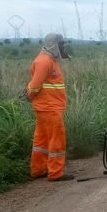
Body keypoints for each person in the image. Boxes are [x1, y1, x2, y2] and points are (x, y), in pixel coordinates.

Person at [27, 33, 73, 181]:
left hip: (46, 107)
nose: (63, 46)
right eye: (61, 44)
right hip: (50, 108)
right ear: (54, 44)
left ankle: (38, 170)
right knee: (56, 140)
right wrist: (29, 94)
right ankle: (55, 173)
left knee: (41, 141)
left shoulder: (48, 60)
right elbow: (34, 86)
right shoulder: (44, 61)